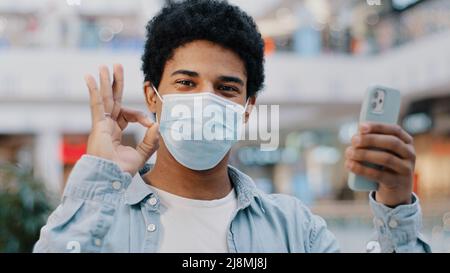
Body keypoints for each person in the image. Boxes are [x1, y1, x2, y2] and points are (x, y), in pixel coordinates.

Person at [34, 0, 430, 253]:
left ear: (246, 107)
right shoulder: (103, 217)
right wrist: (101, 181)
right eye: (186, 83)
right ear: (154, 96)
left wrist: (395, 205)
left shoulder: (294, 227)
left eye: (227, 88)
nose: (206, 98)